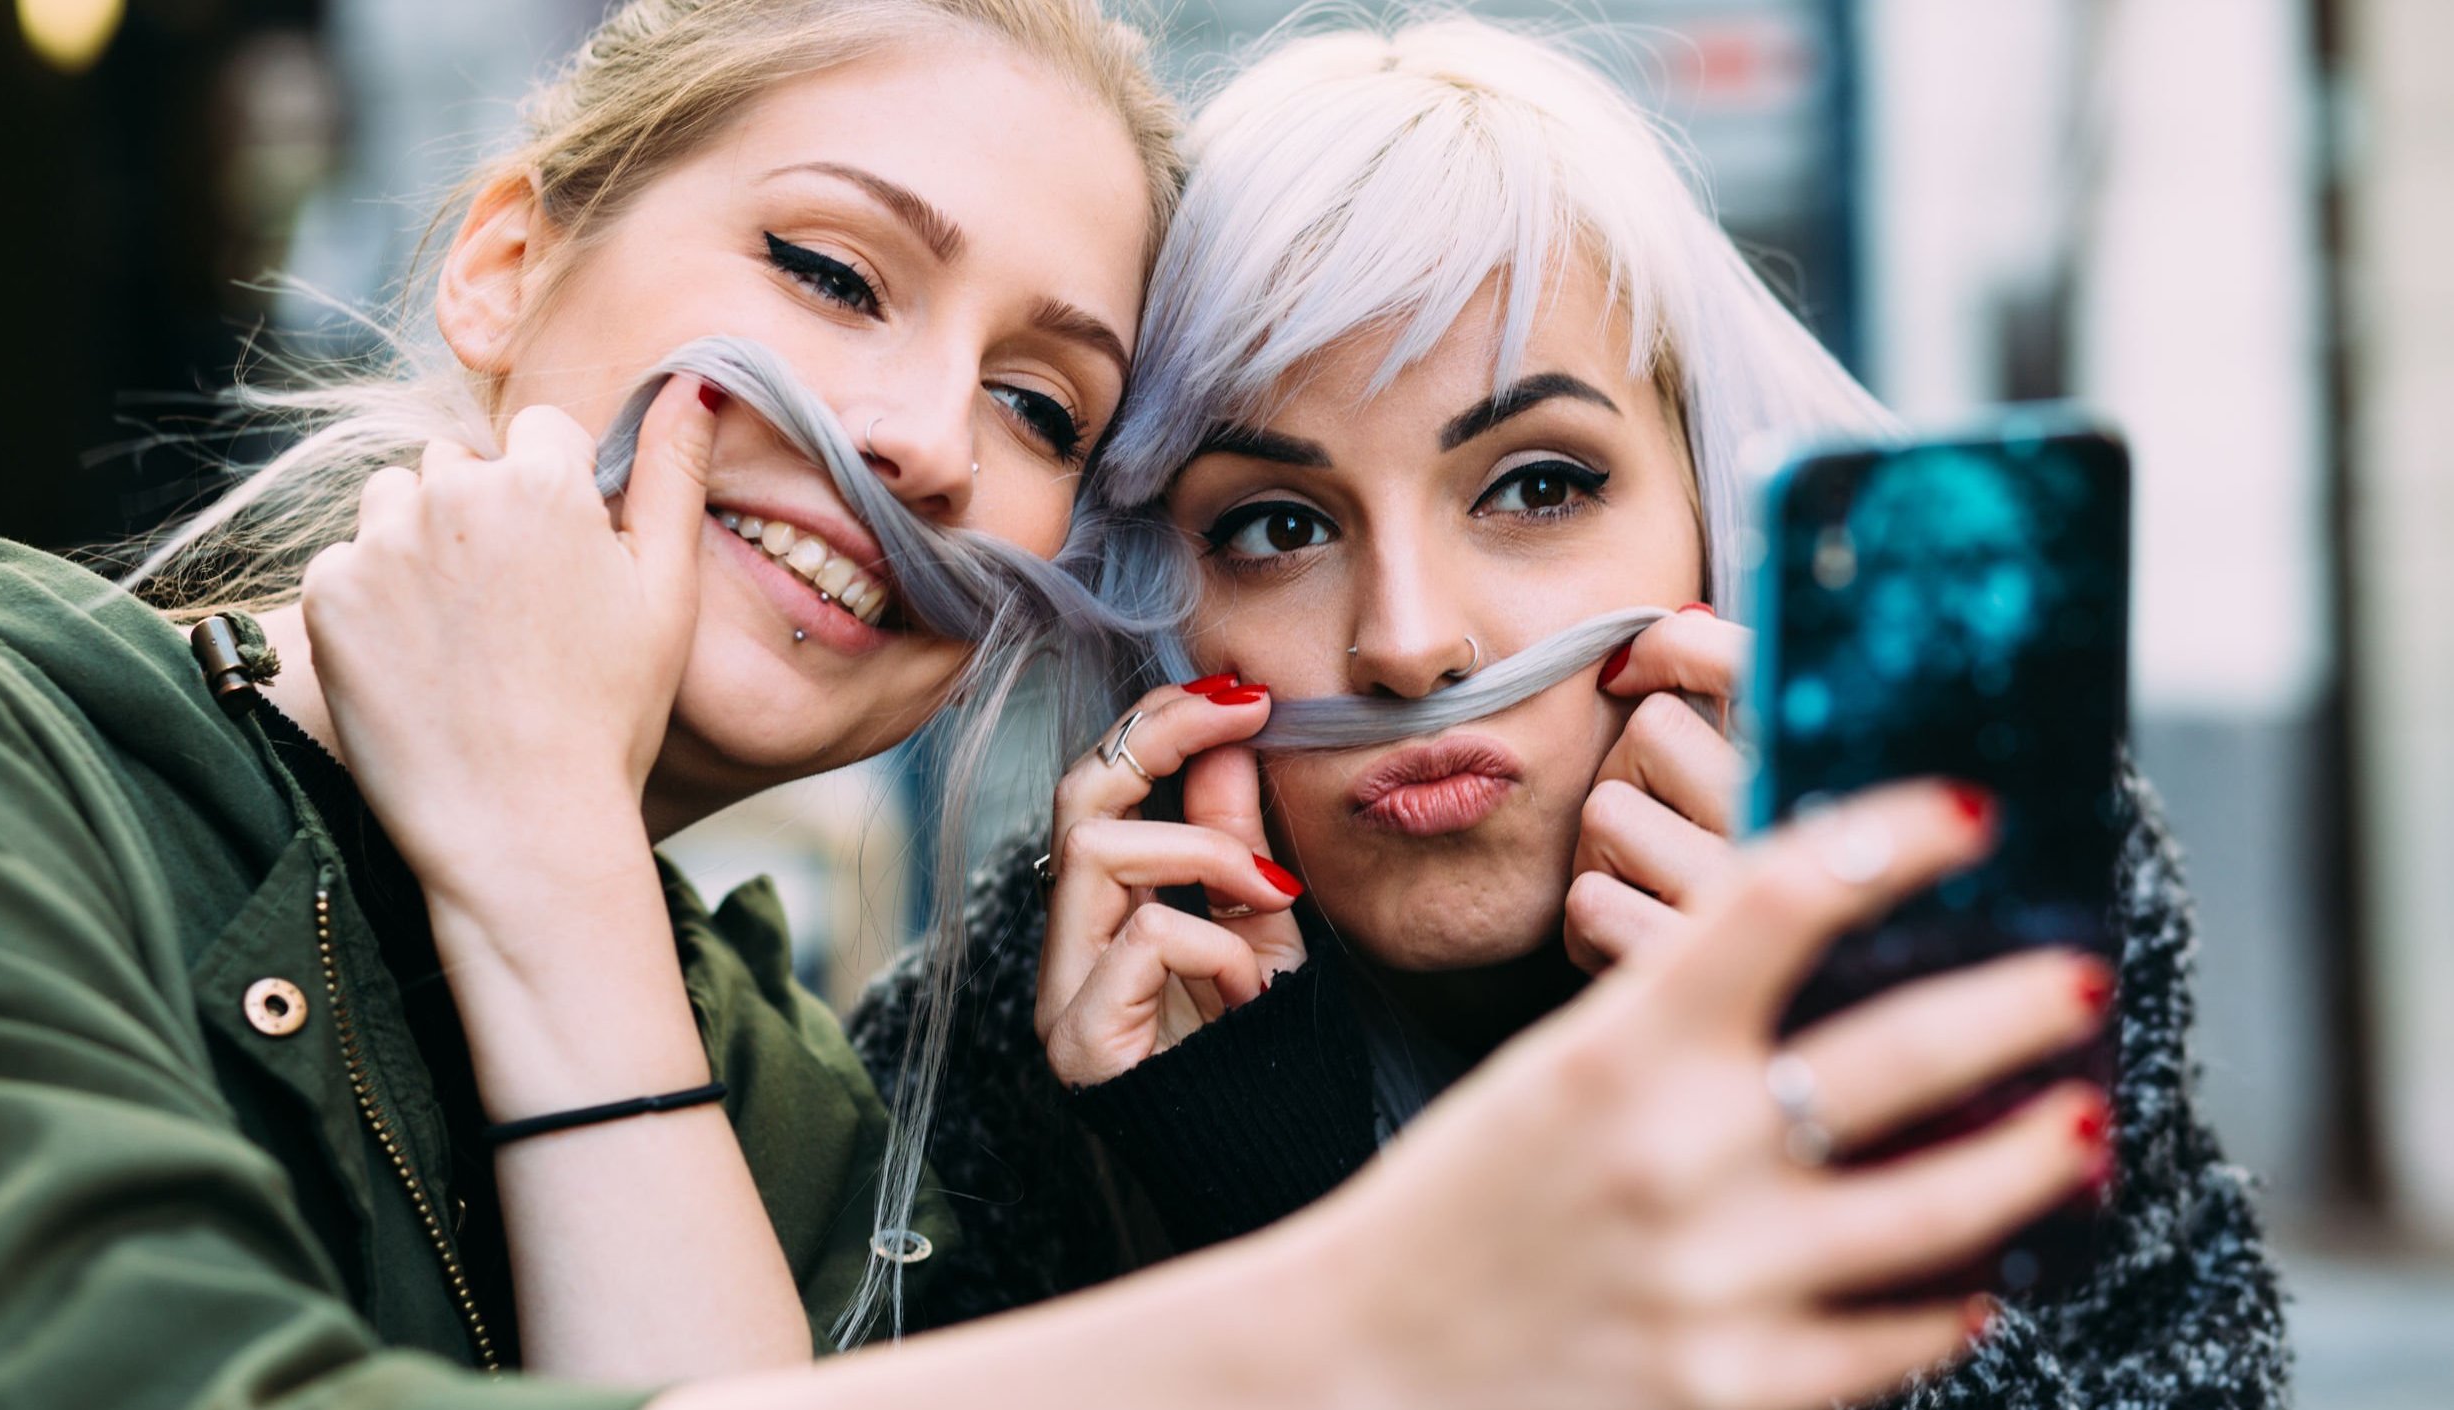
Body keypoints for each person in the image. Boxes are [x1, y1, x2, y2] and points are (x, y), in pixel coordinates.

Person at [0, 2, 2079, 1408]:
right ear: (502, 261)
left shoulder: (816, 1113)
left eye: (1041, 400)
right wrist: (1384, 1304)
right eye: (832, 271)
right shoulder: (1, 738)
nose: (930, 443)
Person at [851, 15, 2293, 1409]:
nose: (1410, 644)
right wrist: (1290, 1250)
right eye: (1277, 525)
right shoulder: (1005, 1050)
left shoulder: (1976, 897)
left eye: (1539, 485)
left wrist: (1825, 1189)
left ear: (1711, 517)